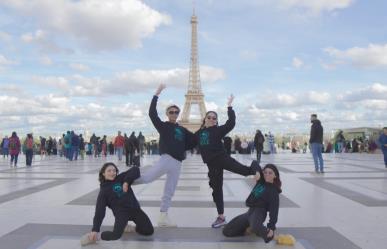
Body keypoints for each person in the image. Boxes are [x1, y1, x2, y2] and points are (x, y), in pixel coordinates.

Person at [133, 84, 195, 227]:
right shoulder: (163, 126)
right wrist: (156, 94)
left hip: (178, 163)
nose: (174, 114)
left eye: (176, 112)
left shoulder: (182, 129)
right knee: (147, 178)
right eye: (171, 112)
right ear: (167, 114)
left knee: (170, 190)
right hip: (167, 159)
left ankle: (163, 216)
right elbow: (152, 114)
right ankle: (123, 182)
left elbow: (194, 140)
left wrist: (206, 125)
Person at [195, 95, 259, 228]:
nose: (212, 119)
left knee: (244, 171)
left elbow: (231, 123)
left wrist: (229, 106)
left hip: (222, 158)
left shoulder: (218, 130)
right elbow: (187, 142)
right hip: (212, 164)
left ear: (216, 121)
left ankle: (255, 165)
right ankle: (221, 216)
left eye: (214, 118)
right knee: (216, 189)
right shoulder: (199, 133)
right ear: (205, 119)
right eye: (209, 117)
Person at [80, 162, 153, 246]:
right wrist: (95, 230)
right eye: (109, 171)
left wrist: (126, 182)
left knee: (148, 231)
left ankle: (128, 227)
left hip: (134, 209)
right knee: (116, 235)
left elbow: (135, 169)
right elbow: (99, 212)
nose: (112, 173)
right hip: (121, 214)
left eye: (114, 170)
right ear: (103, 173)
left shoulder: (121, 178)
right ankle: (94, 237)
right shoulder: (103, 192)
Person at [222, 164, 281, 243]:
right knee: (227, 231)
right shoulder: (261, 182)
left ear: (275, 176)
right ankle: (249, 229)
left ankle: (270, 235)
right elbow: (254, 163)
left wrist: (271, 227)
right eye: (265, 172)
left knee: (256, 226)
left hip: (259, 213)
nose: (267, 174)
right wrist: (257, 172)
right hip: (249, 212)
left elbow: (274, 211)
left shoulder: (273, 192)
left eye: (270, 173)